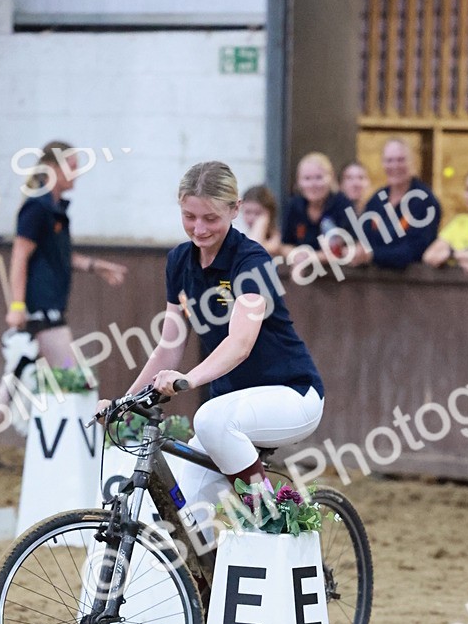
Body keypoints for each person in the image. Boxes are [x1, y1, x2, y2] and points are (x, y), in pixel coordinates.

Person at [110, 160, 324, 526]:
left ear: (235, 209)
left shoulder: (251, 260)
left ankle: (268, 518)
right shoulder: (179, 260)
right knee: (171, 520)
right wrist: (125, 401)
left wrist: (189, 379)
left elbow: (240, 343)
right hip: (228, 410)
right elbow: (168, 347)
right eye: (189, 216)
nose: (199, 228)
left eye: (210, 218)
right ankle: (201, 580)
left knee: (209, 417)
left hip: (292, 395)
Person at [0, 139, 128, 469]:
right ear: (53, 168)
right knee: (74, 377)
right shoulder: (37, 207)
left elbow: (60, 257)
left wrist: (98, 266)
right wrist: (17, 305)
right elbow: (20, 256)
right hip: (40, 311)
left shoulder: (54, 209)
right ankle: (90, 442)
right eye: (72, 165)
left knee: (16, 377)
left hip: (48, 308)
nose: (77, 172)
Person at [356, 138, 441, 269]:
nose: (395, 166)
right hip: (372, 282)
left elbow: (415, 250)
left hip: (414, 284)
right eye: (389, 160)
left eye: (401, 160)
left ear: (412, 162)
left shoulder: (425, 202)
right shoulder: (377, 200)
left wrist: (373, 255)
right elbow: (363, 237)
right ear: (382, 163)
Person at [280, 152, 358, 265]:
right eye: (307, 178)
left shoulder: (343, 205)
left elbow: (350, 250)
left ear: (331, 178)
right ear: (299, 182)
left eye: (319, 177)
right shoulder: (293, 205)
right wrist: (295, 254)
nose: (313, 184)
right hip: (301, 274)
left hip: (341, 275)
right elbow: (284, 244)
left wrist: (311, 257)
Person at [238, 184, 282, 256]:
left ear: (270, 213)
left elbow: (254, 249)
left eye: (258, 213)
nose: (252, 218)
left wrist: (261, 223)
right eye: (247, 212)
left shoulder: (277, 238)